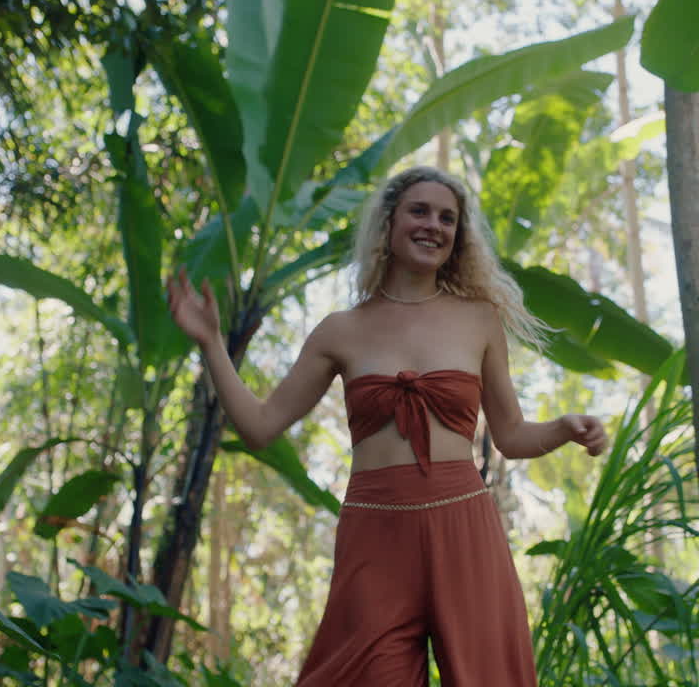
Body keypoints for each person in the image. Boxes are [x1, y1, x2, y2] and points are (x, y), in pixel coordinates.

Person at [166, 165, 608, 686]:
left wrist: (563, 428)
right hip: (375, 534)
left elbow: (510, 435)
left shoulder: (479, 320)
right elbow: (260, 426)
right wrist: (212, 344)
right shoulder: (341, 331)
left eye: (447, 218)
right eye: (419, 211)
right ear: (389, 223)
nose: (433, 225)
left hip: (463, 527)